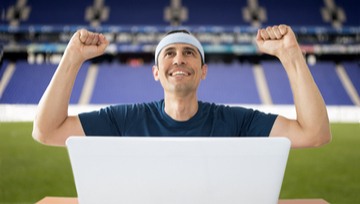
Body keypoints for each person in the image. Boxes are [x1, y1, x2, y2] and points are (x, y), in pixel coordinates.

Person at [32, 24, 331, 148]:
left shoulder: (236, 121)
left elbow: (315, 134)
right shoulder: (124, 120)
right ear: (155, 72)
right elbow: (46, 131)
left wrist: (292, 57)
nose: (179, 60)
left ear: (203, 72)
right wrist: (71, 58)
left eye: (189, 53)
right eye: (169, 53)